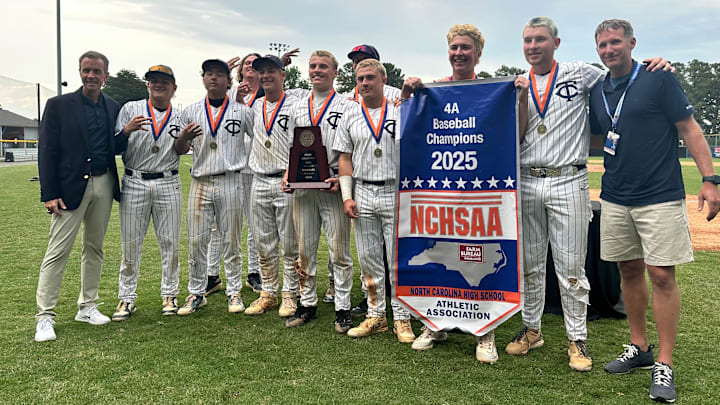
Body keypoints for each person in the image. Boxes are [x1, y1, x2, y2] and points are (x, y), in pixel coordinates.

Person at [505, 16, 672, 372]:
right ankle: (532, 329)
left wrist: (653, 66)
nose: (533, 46)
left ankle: (576, 337)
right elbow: (509, 131)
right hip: (528, 179)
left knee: (570, 267)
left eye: (540, 40)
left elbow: (623, 79)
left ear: (556, 43)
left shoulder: (581, 73)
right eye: (527, 41)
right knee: (531, 265)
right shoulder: (518, 84)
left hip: (569, 180)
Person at [588, 19, 720, 403]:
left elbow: (689, 127)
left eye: (615, 42)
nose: (609, 49)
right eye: (602, 45)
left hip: (659, 194)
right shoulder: (598, 89)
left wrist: (711, 180)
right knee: (628, 269)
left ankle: (664, 362)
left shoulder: (658, 77)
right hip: (614, 195)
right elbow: (600, 134)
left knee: (661, 274)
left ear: (631, 43)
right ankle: (639, 347)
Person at [400, 23, 500, 363]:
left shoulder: (490, 91)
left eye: (465, 48)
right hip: (439, 191)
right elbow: (409, 128)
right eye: (454, 47)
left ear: (478, 54)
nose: (459, 53)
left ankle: (485, 333)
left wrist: (515, 94)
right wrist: (408, 92)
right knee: (438, 255)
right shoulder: (434, 90)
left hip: (478, 191)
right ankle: (434, 324)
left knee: (480, 257)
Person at [35, 50, 125, 342]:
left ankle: (88, 306)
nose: (91, 76)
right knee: (57, 252)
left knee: (94, 248)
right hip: (69, 190)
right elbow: (47, 150)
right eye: (86, 70)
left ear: (105, 76)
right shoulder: (59, 105)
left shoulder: (112, 106)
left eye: (97, 71)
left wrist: (127, 133)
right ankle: (45, 317)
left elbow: (109, 145)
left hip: (104, 184)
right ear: (80, 72)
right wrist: (49, 194)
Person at [334, 58, 415, 344]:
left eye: (370, 78)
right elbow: (344, 158)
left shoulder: (400, 111)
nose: (365, 83)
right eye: (360, 79)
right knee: (369, 260)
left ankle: (402, 318)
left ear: (383, 80)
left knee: (398, 260)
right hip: (363, 192)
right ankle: (376, 315)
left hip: (395, 190)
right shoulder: (350, 116)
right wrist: (347, 196)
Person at [173, 59, 254, 316]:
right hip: (200, 180)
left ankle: (234, 291)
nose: (214, 78)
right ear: (203, 78)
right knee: (197, 240)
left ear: (229, 81)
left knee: (231, 239)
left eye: (220, 74)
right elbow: (179, 149)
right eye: (209, 74)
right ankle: (196, 292)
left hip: (231, 179)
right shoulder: (191, 111)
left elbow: (261, 140)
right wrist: (184, 137)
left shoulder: (242, 111)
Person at [282, 50, 355, 332]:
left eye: (323, 66)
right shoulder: (298, 106)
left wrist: (344, 179)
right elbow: (292, 148)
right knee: (305, 250)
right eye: (313, 66)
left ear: (335, 72)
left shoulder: (347, 105)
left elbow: (351, 150)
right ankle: (307, 303)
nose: (317, 70)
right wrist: (289, 175)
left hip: (333, 185)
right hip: (303, 189)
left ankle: (343, 307)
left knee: (339, 251)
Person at [111, 64, 182, 321]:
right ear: (147, 84)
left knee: (170, 242)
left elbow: (183, 148)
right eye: (153, 80)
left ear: (174, 87)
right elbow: (115, 145)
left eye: (164, 80)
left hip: (167, 181)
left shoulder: (181, 115)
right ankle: (126, 298)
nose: (158, 84)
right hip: (135, 179)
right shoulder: (130, 108)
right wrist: (127, 130)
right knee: (131, 243)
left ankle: (170, 293)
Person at [243, 55, 301, 318]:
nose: (266, 76)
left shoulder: (296, 105)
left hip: (285, 181)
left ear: (283, 75)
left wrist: (291, 171)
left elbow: (302, 145)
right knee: (263, 242)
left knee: (289, 243)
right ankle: (268, 292)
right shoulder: (254, 107)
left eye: (271, 71)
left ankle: (290, 294)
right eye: (262, 72)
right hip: (258, 179)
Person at [204, 53, 264, 296]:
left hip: (257, 168)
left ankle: (254, 272)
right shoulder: (228, 95)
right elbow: (210, 114)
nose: (250, 67)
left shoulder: (268, 95)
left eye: (255, 64)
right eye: (246, 63)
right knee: (221, 226)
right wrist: (232, 96)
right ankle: (212, 274)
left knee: (255, 224)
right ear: (239, 71)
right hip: (232, 168)